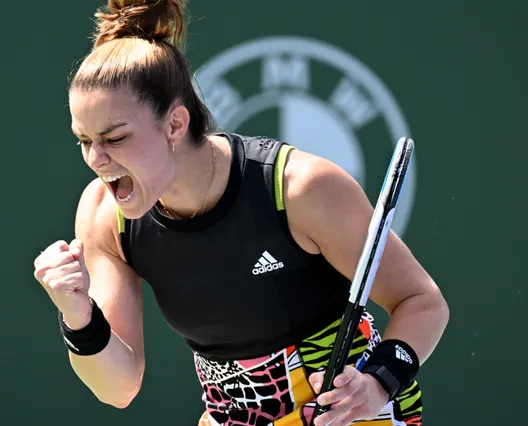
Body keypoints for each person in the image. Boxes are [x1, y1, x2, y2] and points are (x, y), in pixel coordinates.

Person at [32, 1, 450, 425]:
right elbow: (119, 388)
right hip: (234, 416)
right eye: (83, 140)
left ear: (175, 124)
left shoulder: (300, 188)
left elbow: (422, 301)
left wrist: (377, 381)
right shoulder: (105, 214)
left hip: (348, 411)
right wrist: (78, 314)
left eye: (115, 138)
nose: (96, 159)